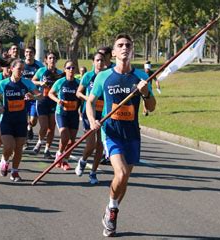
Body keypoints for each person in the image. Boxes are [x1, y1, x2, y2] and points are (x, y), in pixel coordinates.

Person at [86, 34, 156, 237]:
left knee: (124, 179)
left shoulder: (142, 77)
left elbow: (150, 107)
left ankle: (111, 209)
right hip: (112, 133)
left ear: (132, 50)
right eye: (120, 45)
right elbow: (90, 101)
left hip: (132, 135)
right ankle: (113, 210)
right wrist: (92, 120)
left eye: (128, 45)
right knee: (122, 173)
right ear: (114, 53)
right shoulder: (104, 76)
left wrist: (146, 93)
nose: (124, 47)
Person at [0, 59, 41, 181]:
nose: (21, 72)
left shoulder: (27, 83)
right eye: (19, 69)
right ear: (11, 69)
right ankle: (4, 161)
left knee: (19, 147)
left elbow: (40, 96)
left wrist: (33, 96)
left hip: (21, 120)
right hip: (7, 120)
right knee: (9, 146)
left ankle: (14, 172)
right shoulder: (4, 84)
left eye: (23, 69)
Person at [75, 52, 105, 184]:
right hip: (89, 113)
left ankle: (93, 173)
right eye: (97, 60)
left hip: (104, 114)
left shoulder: (106, 76)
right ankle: (83, 161)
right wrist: (89, 100)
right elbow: (78, 92)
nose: (100, 63)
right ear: (93, 62)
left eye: (102, 60)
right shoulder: (88, 76)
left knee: (100, 145)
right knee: (91, 144)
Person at [48, 60, 80, 170]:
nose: (71, 70)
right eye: (68, 68)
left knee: (72, 141)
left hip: (74, 114)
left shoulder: (78, 83)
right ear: (65, 70)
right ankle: (59, 154)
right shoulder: (60, 82)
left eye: (73, 68)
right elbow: (50, 93)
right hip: (62, 113)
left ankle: (65, 160)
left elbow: (83, 96)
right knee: (65, 136)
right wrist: (57, 100)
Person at [32, 51, 63, 159]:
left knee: (51, 128)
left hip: (53, 101)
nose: (52, 60)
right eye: (50, 58)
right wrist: (40, 83)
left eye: (54, 58)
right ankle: (39, 142)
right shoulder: (41, 71)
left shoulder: (59, 73)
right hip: (42, 100)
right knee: (44, 126)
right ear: (46, 60)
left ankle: (47, 149)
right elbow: (33, 81)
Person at [22, 46, 44, 144]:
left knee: (33, 121)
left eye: (31, 52)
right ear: (24, 53)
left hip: (34, 96)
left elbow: (43, 79)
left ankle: (29, 126)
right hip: (22, 96)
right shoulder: (21, 65)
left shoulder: (39, 66)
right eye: (27, 52)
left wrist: (36, 83)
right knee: (22, 118)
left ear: (34, 54)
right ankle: (25, 138)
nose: (28, 54)